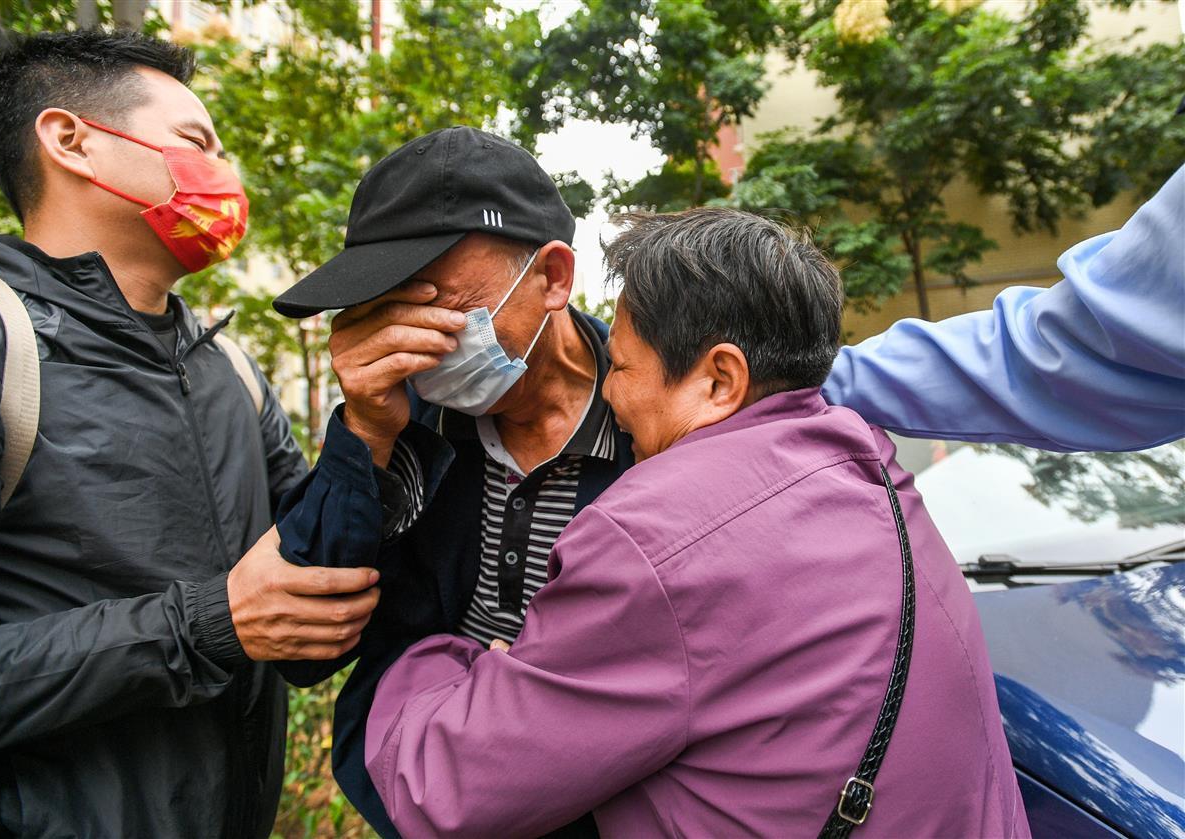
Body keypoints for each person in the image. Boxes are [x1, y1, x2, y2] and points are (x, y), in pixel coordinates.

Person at [270, 124, 1183, 836]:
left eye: (436, 301)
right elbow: (310, 641)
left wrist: (453, 680)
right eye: (381, 306)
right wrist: (366, 433)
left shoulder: (678, 437)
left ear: (551, 277)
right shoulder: (406, 415)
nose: (408, 333)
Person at [357, 207, 1031, 837]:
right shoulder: (872, 466)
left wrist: (438, 662)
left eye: (620, 365)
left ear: (719, 379)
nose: (611, 393)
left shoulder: (651, 540)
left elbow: (445, 785)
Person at [0, 30, 381, 838]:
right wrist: (204, 627)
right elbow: (232, 619)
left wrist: (371, 427)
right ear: (71, 141)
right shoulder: (0, 336)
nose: (224, 174)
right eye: (197, 142)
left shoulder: (228, 367)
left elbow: (304, 634)